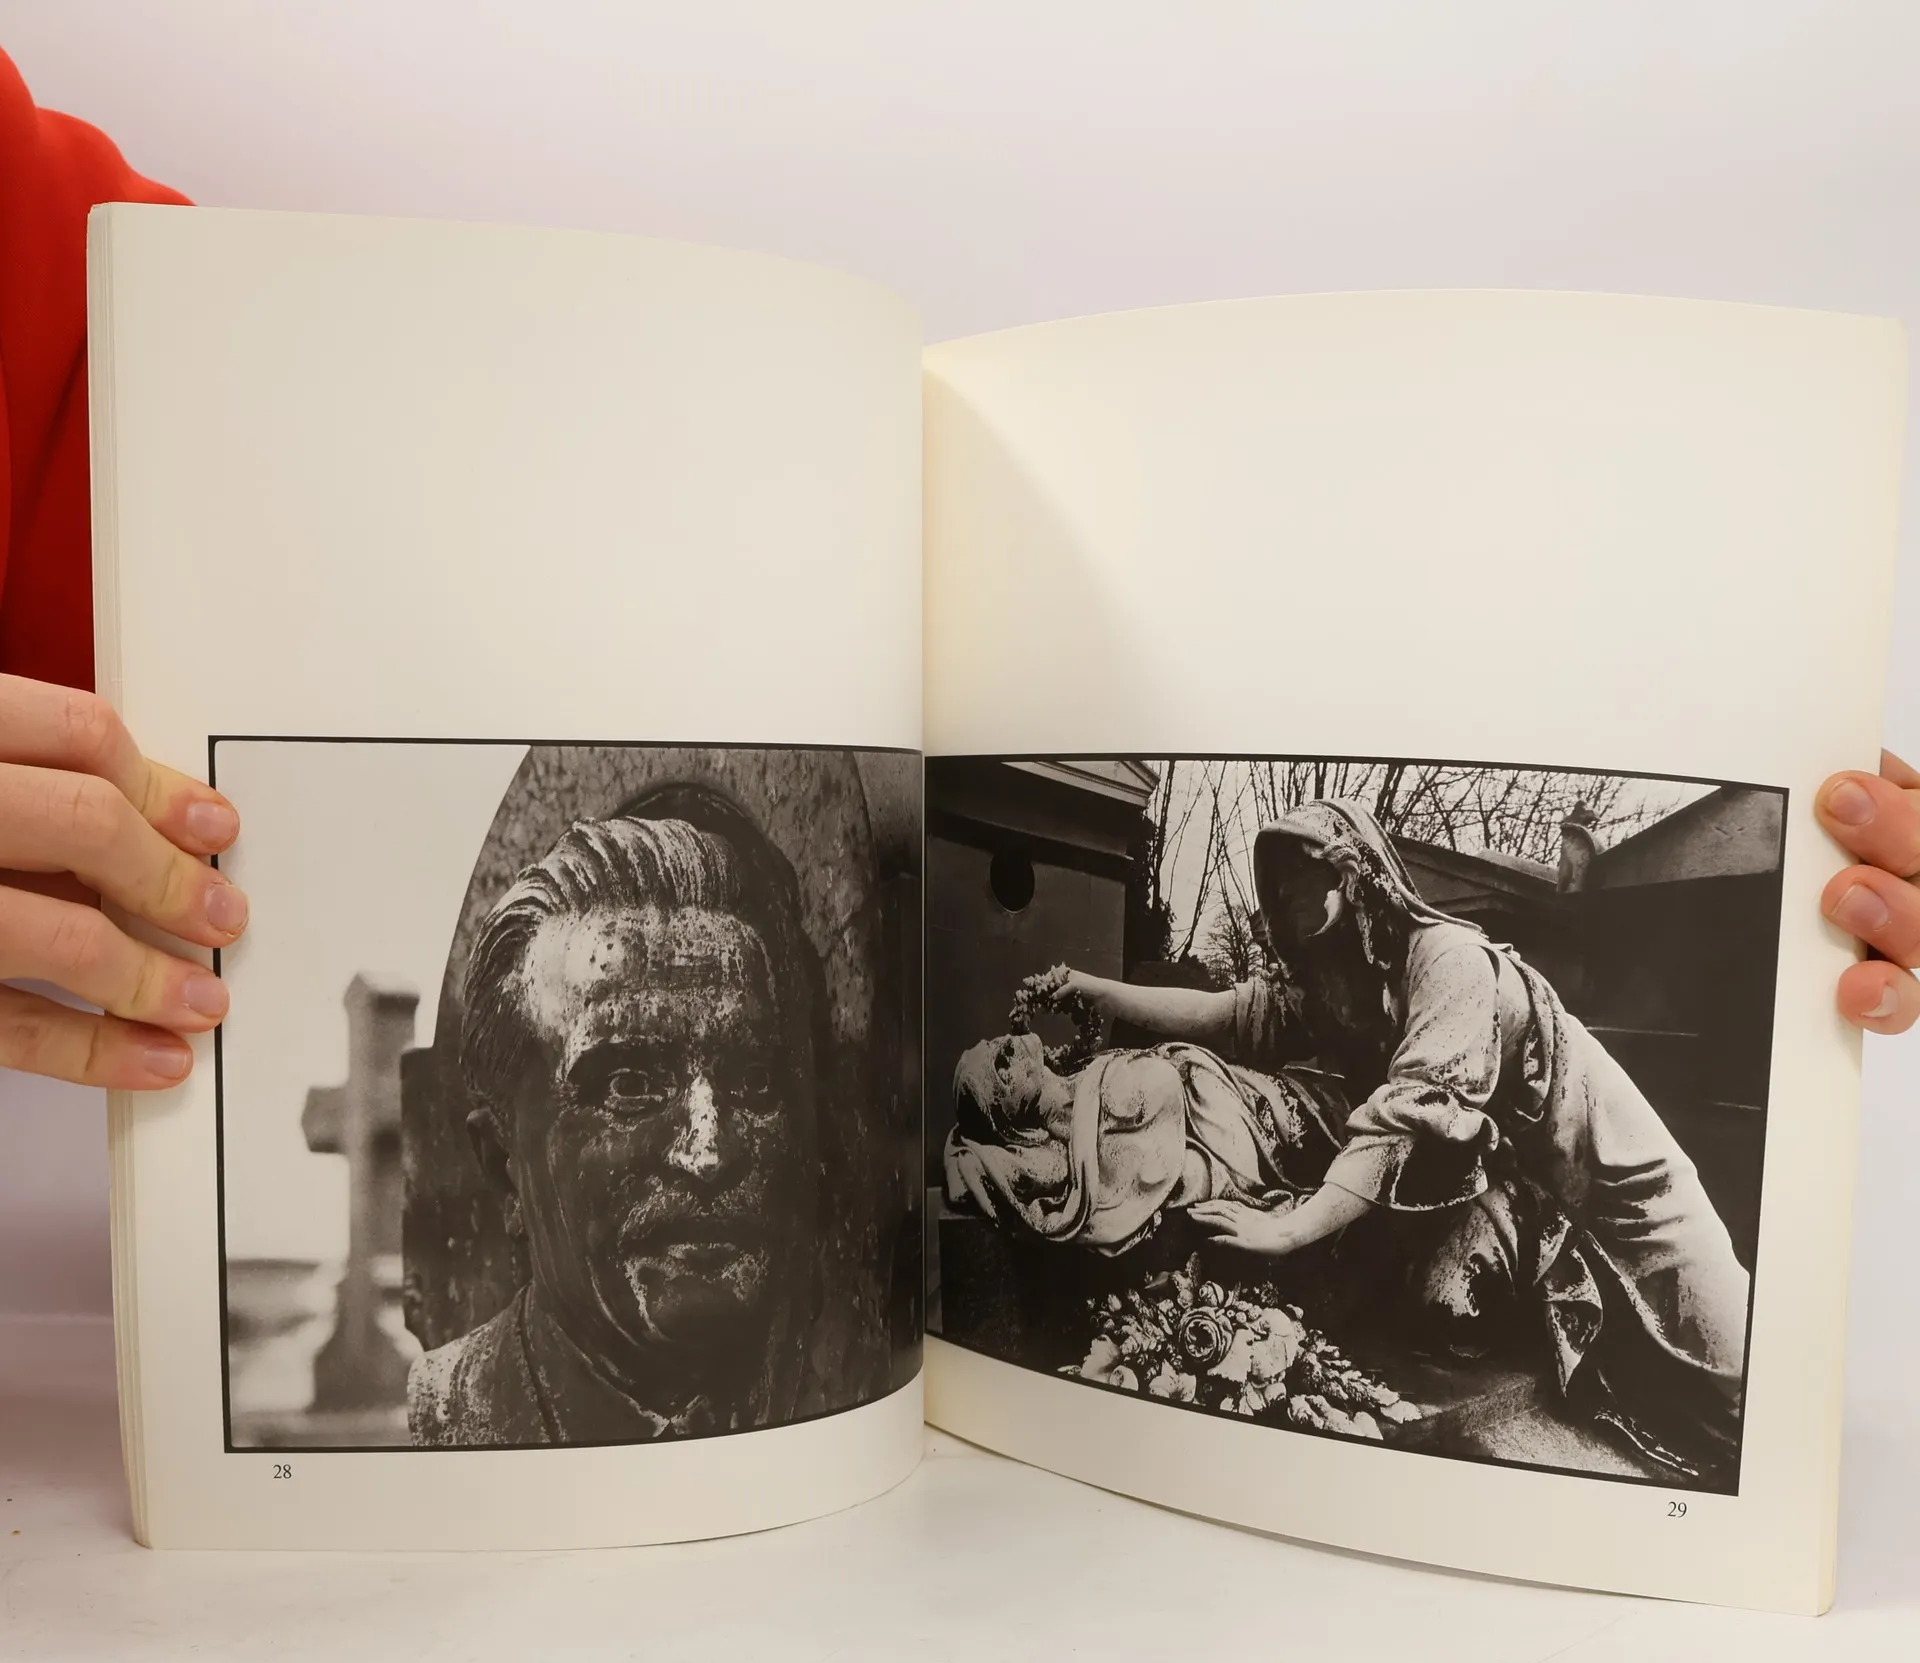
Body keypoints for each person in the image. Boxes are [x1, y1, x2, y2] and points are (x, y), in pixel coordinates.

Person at [0, 42, 1913, 1099]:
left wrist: (1806, 787)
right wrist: (1104, 998)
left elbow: (285, 546)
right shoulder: (1335, 962)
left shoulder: (1443, 969)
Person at [1046, 799, 1769, 1481]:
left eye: (1299, 883)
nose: (1284, 904)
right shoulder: (1345, 989)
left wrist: (1290, 1229)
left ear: (1351, 875)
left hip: (1622, 1187)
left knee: (1732, 1380)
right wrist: (1100, 991)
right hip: (1526, 1198)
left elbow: (1408, 1114)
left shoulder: (1450, 961)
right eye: (1277, 891)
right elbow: (1229, 1017)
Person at [408, 807, 827, 1445]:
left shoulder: (831, 1397)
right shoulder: (428, 1422)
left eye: (753, 1082)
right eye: (629, 1086)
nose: (709, 1151)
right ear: (503, 1169)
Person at [942, 1026, 1346, 1253]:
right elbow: (1171, 1150)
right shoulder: (1089, 1136)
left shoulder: (1082, 1084)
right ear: (1012, 1123)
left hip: (1273, 1096)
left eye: (992, 1045)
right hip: (1283, 1138)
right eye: (999, 1068)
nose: (1004, 1046)